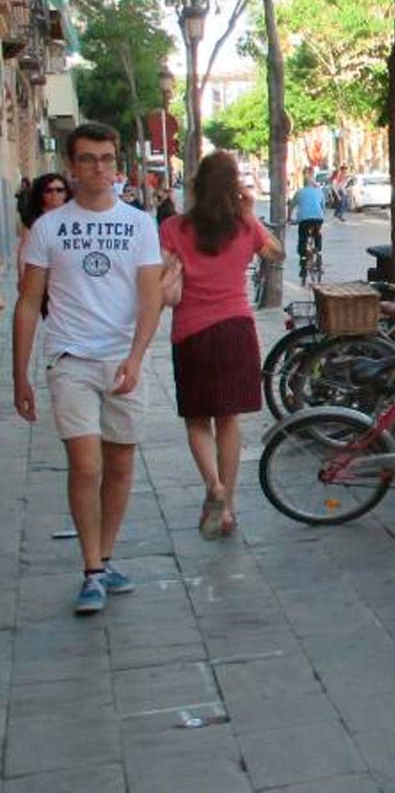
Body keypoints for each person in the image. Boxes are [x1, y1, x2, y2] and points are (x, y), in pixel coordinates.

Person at [11, 122, 163, 615]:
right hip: (70, 359)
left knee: (119, 465)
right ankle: (91, 570)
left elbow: (150, 298)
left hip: (122, 360)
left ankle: (107, 555)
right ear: (71, 165)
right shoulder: (48, 228)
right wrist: (19, 375)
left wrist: (136, 357)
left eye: (106, 158)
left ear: (117, 163)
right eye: (88, 159)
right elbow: (28, 304)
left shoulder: (139, 224)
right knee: (86, 464)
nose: (99, 168)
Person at [160, 152, 283, 539]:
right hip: (237, 330)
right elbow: (276, 254)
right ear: (234, 188)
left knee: (197, 420)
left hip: (191, 333)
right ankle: (226, 505)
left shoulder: (173, 228)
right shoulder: (244, 228)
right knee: (229, 420)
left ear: (196, 186)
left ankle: (212, 484)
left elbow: (159, 276)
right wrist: (250, 215)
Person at [16, 173, 71, 291]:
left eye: (59, 190)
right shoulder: (32, 218)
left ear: (66, 193)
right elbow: (24, 248)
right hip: (41, 273)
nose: (54, 194)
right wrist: (22, 277)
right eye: (48, 190)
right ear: (41, 193)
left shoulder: (74, 216)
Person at [290, 168, 326, 284]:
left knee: (303, 242)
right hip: (318, 219)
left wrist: (289, 218)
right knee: (317, 234)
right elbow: (323, 207)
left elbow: (291, 206)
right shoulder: (319, 191)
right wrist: (322, 217)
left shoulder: (299, 192)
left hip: (304, 220)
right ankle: (319, 252)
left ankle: (303, 267)